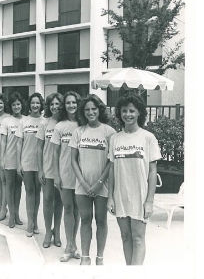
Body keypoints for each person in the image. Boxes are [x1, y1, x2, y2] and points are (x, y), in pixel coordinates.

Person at [107, 93, 161, 265]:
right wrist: (110, 198)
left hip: (140, 195)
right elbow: (112, 169)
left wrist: (149, 201)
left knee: (138, 238)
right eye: (124, 111)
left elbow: (153, 172)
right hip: (120, 195)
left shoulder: (148, 137)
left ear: (139, 113)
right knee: (125, 237)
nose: (127, 114)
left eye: (132, 111)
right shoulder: (115, 138)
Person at [70, 94, 116, 266]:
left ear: (100, 110)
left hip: (102, 185)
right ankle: (85, 257)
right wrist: (83, 182)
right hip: (82, 185)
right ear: (83, 111)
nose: (90, 112)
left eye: (94, 109)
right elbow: (73, 160)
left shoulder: (109, 132)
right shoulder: (79, 131)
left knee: (101, 220)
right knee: (85, 219)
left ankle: (100, 257)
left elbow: (111, 160)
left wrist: (98, 183)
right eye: (87, 109)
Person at [51, 91, 81, 262]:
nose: (71, 106)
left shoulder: (83, 124)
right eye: (68, 103)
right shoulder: (60, 126)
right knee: (68, 208)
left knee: (77, 209)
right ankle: (69, 245)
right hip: (64, 173)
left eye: (74, 102)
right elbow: (55, 154)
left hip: (80, 175)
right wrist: (56, 174)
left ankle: (73, 245)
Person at [37, 93, 64, 249]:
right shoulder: (44, 123)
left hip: (63, 169)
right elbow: (39, 148)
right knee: (47, 200)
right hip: (47, 168)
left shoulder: (67, 123)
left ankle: (57, 231)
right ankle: (48, 231)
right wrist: (40, 170)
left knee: (60, 201)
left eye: (57, 104)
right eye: (52, 104)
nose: (55, 107)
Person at [16, 93, 44, 237]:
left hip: (40, 163)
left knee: (37, 192)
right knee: (29, 192)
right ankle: (30, 224)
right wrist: (19, 163)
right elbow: (19, 144)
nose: (35, 105)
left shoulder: (45, 121)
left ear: (41, 104)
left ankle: (35, 222)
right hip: (26, 162)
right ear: (29, 104)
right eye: (33, 103)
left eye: (37, 103)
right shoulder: (24, 121)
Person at [0, 92, 25, 228]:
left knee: (18, 186)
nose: (16, 107)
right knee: (10, 186)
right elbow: (3, 142)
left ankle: (17, 215)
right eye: (14, 104)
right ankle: (11, 216)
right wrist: (3, 158)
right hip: (9, 157)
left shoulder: (25, 120)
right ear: (11, 106)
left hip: (22, 159)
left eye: (18, 104)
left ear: (22, 105)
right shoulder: (6, 121)